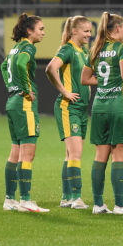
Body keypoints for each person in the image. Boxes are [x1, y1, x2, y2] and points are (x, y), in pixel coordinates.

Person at [81, 12, 123, 215]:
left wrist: (105, 83)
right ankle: (120, 205)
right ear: (117, 29)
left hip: (99, 106)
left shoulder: (95, 49)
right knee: (119, 154)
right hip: (117, 105)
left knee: (100, 156)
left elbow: (85, 79)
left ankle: (98, 205)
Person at [1, 13, 48, 213]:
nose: (43, 33)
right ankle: (26, 200)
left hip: (12, 101)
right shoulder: (28, 47)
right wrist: (26, 88)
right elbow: (21, 65)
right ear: (29, 31)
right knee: (28, 153)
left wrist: (11, 86)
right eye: (41, 29)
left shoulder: (14, 48)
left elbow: (4, 67)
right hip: (23, 104)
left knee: (15, 153)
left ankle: (10, 199)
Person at [45, 16, 92, 210]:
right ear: (74, 32)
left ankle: (66, 197)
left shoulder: (84, 51)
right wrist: (64, 91)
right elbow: (50, 68)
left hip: (81, 109)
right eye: (86, 31)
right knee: (76, 153)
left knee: (70, 154)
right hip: (68, 108)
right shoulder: (68, 49)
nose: (90, 34)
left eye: (90, 31)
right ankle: (76, 197)